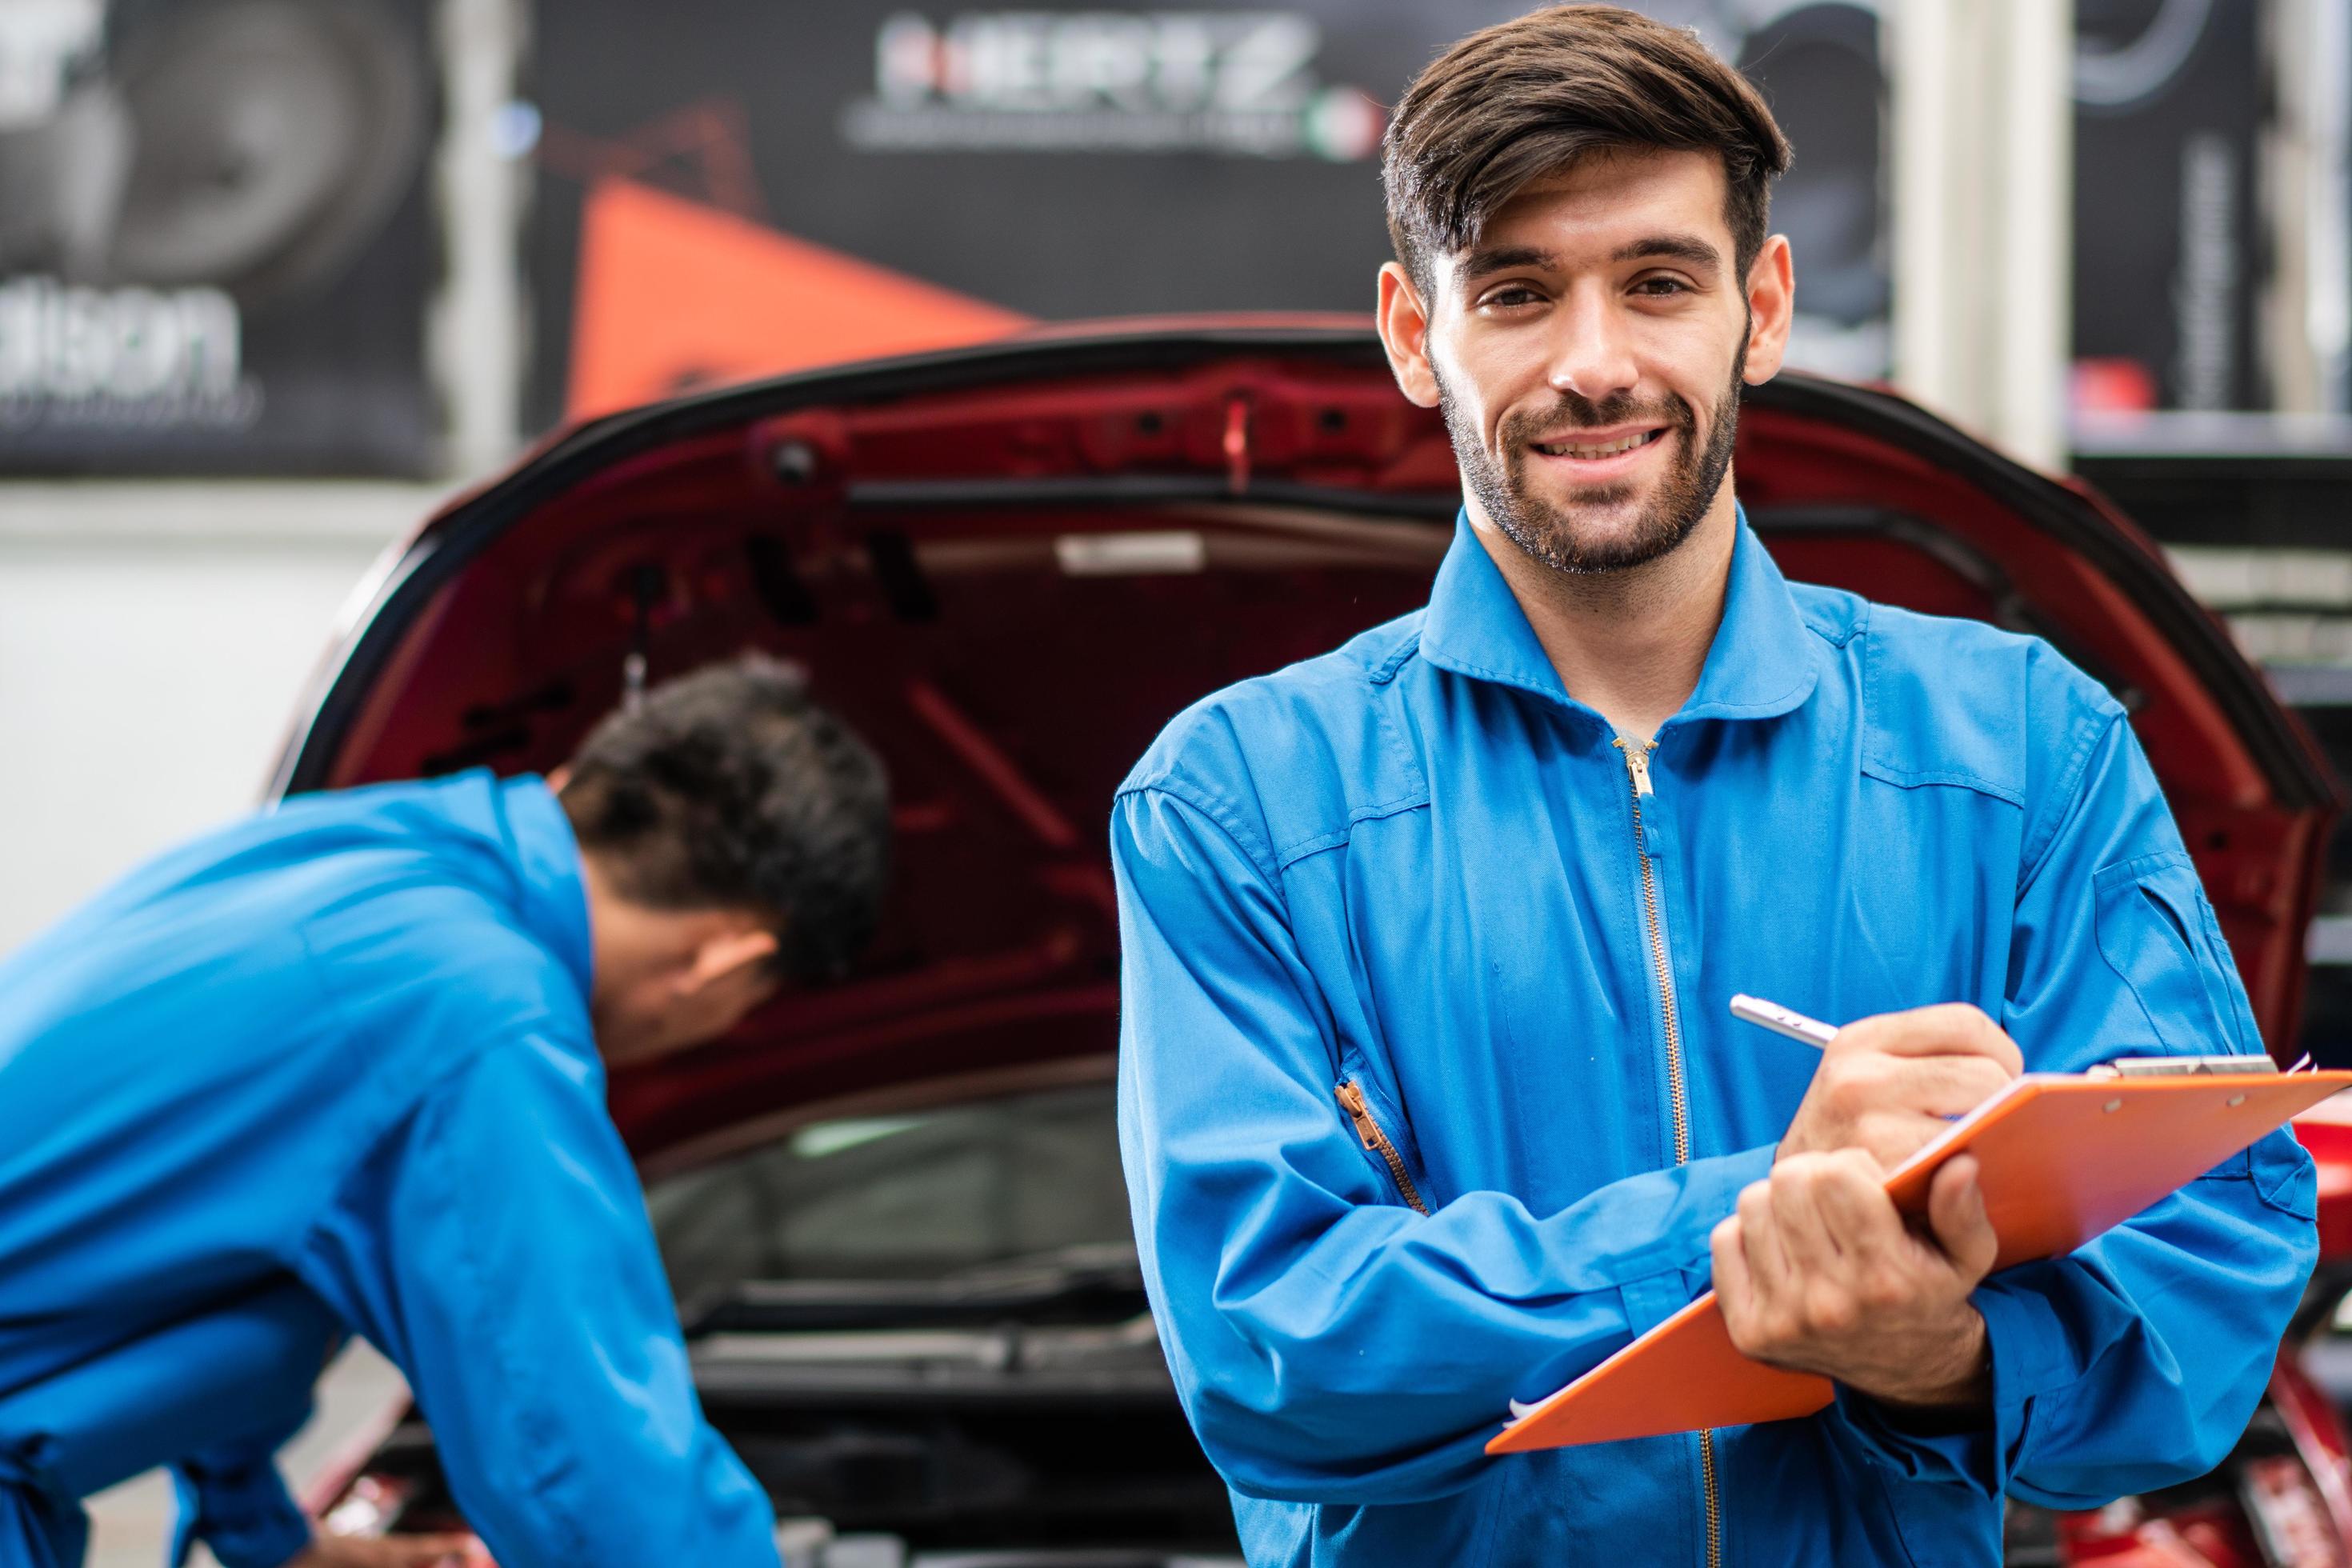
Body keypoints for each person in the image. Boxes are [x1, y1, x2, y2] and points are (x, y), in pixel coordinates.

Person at [1111, 8, 2317, 1566]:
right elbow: (1268, 1346)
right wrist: (1747, 1229)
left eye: (1659, 282)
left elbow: (2213, 1247)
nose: (1596, 363)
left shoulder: (2026, 749)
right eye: (1521, 293)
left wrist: (1936, 1359)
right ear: (1418, 337)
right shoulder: (1240, 806)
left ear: (1763, 306)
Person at [0, 654, 890, 1568]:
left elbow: (191, 1244)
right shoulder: (475, 1012)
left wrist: (275, 1541)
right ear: (726, 962)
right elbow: (583, 1455)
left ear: (572, 785)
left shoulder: (342, 852)